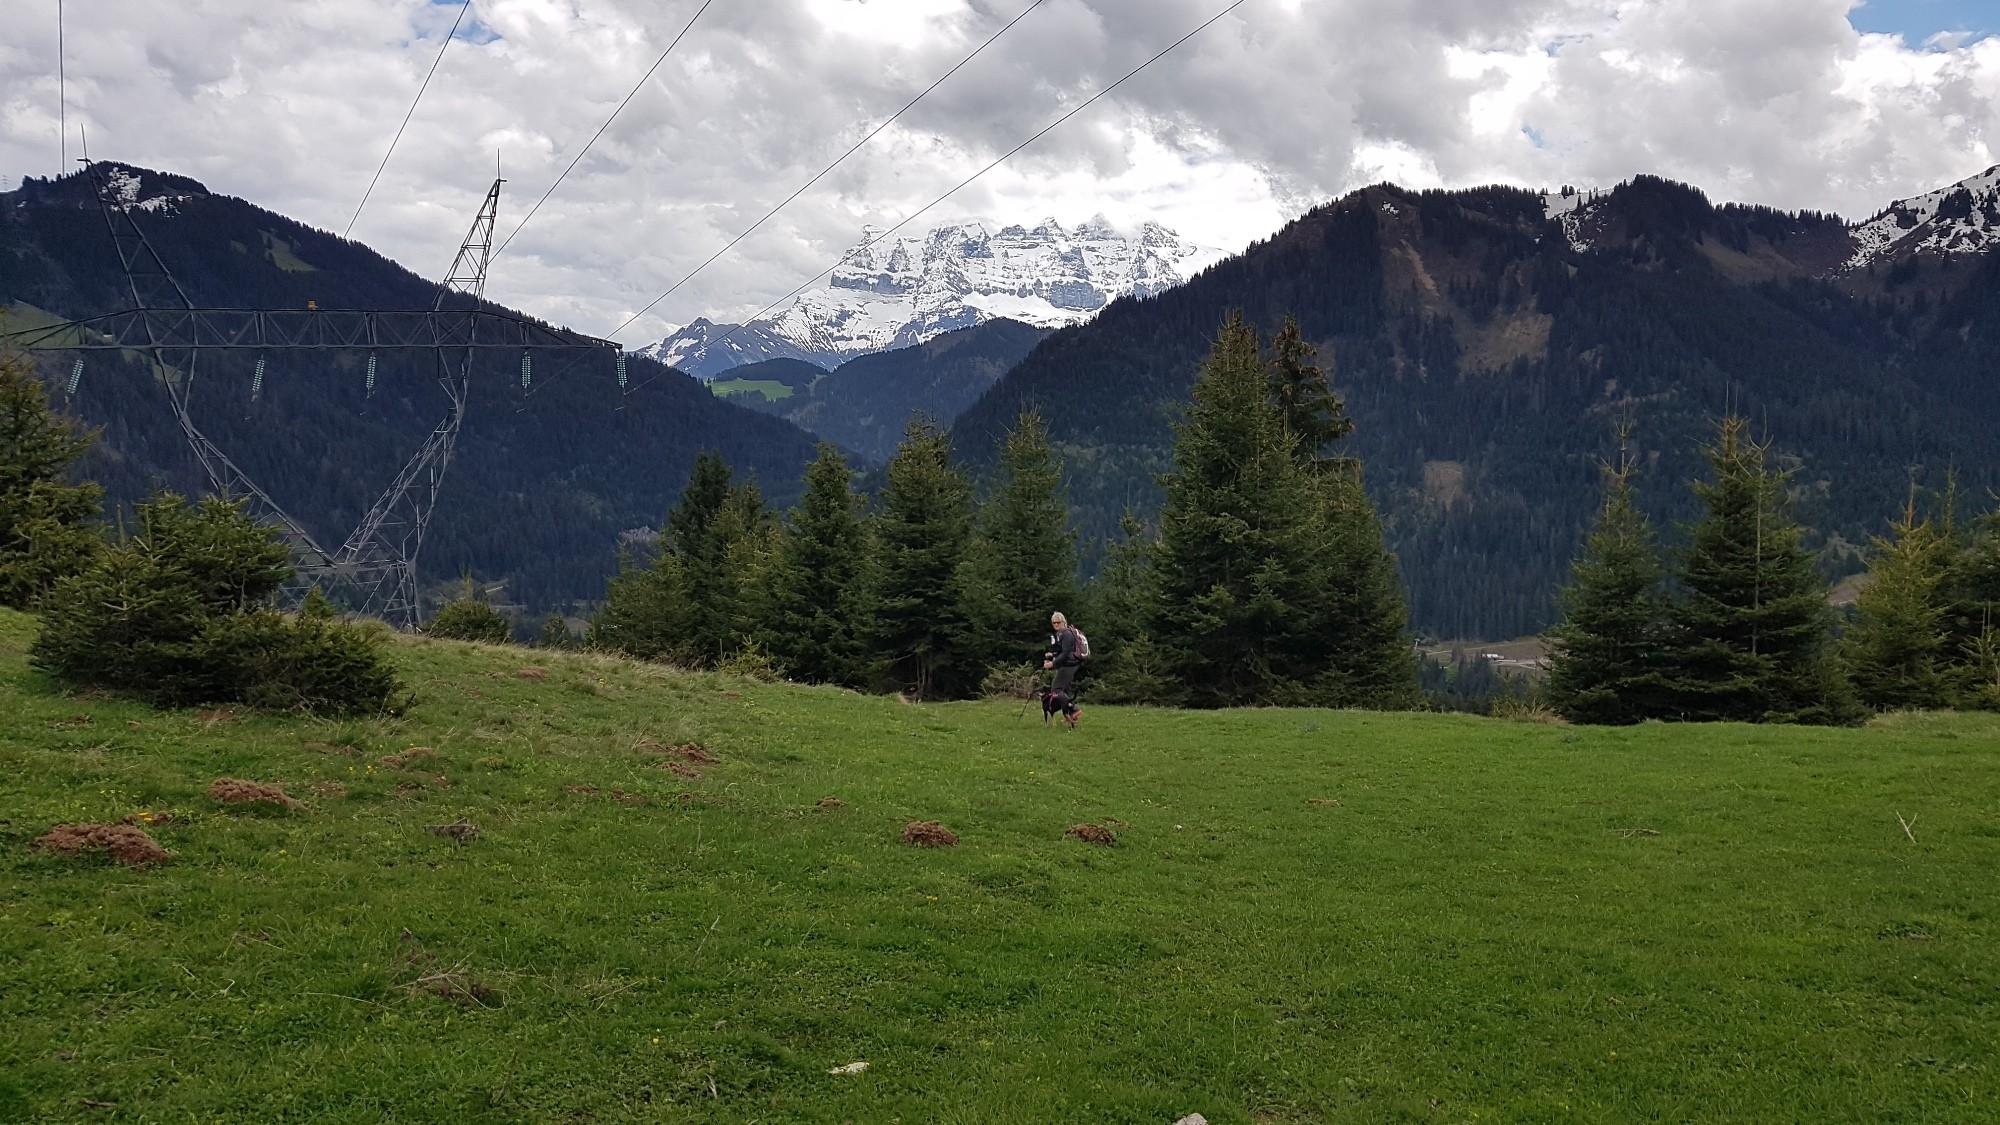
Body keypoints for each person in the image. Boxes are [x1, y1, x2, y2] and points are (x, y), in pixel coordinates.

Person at [1042, 611, 1083, 727]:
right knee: (1065, 689)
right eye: (1053, 623)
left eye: (1058, 622)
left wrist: (1052, 664)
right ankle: (1073, 712)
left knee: (1056, 688)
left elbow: (1065, 654)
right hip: (1070, 663)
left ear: (1063, 622)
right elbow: (1062, 652)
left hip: (1069, 664)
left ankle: (1073, 710)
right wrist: (1052, 655)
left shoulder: (1066, 634)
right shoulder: (1063, 634)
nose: (1056, 625)